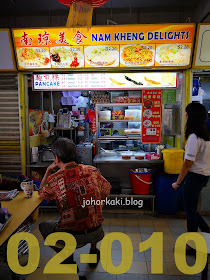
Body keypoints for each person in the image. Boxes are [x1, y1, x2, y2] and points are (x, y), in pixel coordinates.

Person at [38, 137, 111, 270]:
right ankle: (94, 252)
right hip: (97, 230)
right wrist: (96, 207)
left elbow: (41, 193)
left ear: (57, 159)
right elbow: (106, 189)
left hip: (71, 235)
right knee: (90, 214)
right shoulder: (91, 170)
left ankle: (68, 260)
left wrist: (48, 170)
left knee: (44, 226)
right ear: (75, 154)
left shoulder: (55, 179)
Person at [172, 103, 210, 251]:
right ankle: (206, 231)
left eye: (187, 113)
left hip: (195, 176)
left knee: (190, 211)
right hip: (203, 175)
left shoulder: (194, 137)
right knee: (192, 209)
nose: (185, 116)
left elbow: (187, 163)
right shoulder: (206, 134)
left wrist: (178, 182)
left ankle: (192, 245)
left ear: (191, 116)